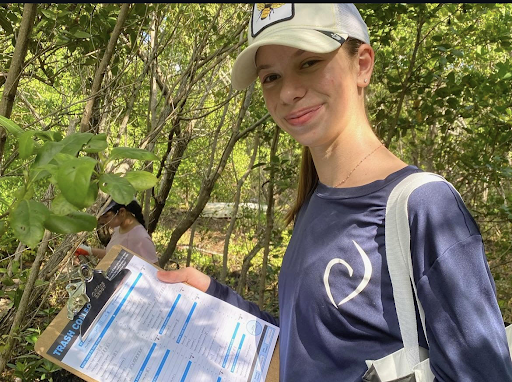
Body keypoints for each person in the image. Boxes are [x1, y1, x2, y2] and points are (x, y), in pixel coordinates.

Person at [156, 4, 512, 381]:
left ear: (362, 64)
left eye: (308, 62)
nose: (288, 92)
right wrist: (213, 295)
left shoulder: (424, 208)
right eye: (270, 77)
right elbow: (308, 351)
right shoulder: (317, 202)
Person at [76, 199, 159, 265]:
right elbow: (113, 254)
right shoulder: (118, 228)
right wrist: (87, 250)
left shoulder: (141, 239)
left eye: (106, 216)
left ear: (121, 212)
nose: (103, 221)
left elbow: (155, 272)